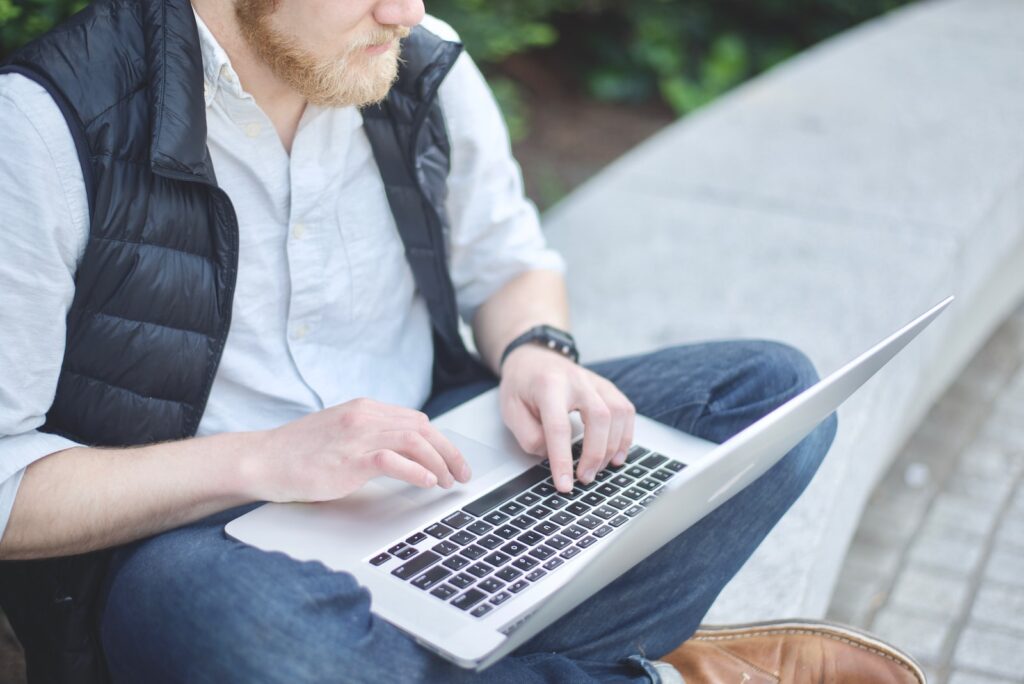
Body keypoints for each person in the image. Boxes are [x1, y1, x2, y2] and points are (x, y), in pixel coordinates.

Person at [0, 0, 924, 681]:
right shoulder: (46, 126)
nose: (404, 11)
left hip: (440, 461)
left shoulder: (414, 57)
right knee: (253, 638)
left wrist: (537, 352)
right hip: (205, 539)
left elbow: (509, 262)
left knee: (772, 398)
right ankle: (659, 671)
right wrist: (266, 460)